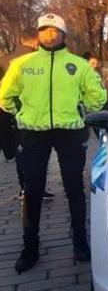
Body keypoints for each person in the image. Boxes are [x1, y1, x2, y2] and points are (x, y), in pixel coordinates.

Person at [0, 13, 106, 272]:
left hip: (69, 133)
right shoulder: (21, 64)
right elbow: (5, 96)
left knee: (74, 189)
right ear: (38, 33)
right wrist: (22, 114)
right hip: (33, 133)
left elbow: (97, 98)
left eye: (55, 30)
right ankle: (30, 247)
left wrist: (82, 110)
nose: (49, 34)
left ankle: (80, 242)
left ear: (63, 34)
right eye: (44, 29)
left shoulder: (79, 65)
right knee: (32, 190)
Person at [0, 28, 55, 201]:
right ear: (36, 41)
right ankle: (37, 188)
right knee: (39, 151)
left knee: (21, 151)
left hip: (11, 113)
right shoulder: (39, 59)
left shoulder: (4, 60)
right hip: (36, 112)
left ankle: (25, 188)